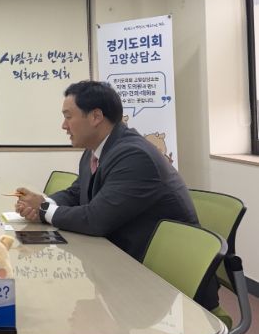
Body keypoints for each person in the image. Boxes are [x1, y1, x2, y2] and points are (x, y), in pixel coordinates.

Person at [14, 80, 219, 310]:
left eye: (68, 117)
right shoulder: (95, 151)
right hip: (126, 267)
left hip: (167, 291)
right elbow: (77, 192)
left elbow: (95, 220)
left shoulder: (134, 155)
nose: (64, 125)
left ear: (96, 116)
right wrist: (44, 202)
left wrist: (43, 210)